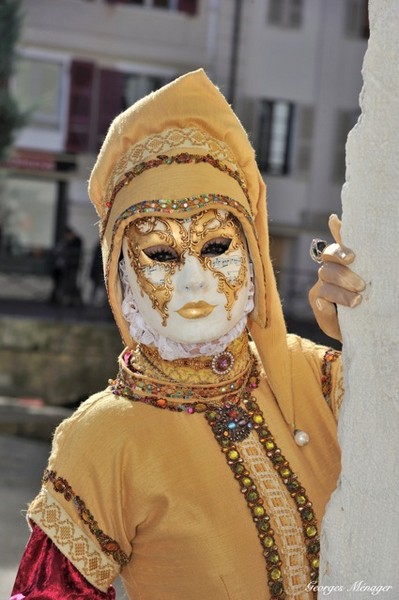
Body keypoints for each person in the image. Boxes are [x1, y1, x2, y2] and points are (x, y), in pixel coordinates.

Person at [11, 70, 364, 600]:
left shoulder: (317, 379)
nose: (194, 278)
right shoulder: (103, 439)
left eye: (218, 246)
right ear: (121, 275)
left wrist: (373, 335)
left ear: (253, 254)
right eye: (160, 255)